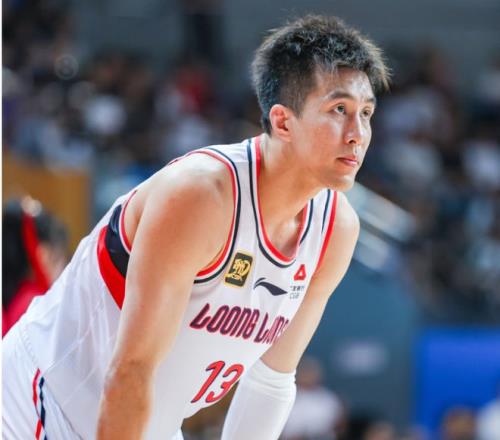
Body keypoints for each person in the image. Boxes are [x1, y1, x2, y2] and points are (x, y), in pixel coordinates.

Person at [2, 14, 389, 440]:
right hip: (41, 401)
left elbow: (271, 381)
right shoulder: (201, 196)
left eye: (366, 113)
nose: (358, 133)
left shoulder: (337, 229)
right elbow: (132, 369)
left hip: (142, 424)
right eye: (339, 110)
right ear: (282, 122)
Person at [2, 197, 68, 337]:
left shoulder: (18, 300)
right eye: (60, 258)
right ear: (44, 254)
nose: (63, 269)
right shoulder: (35, 305)